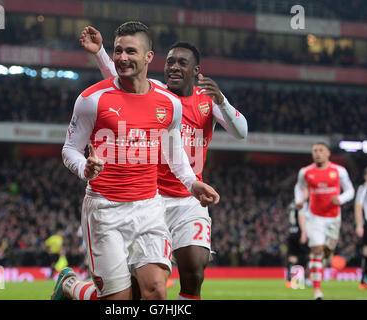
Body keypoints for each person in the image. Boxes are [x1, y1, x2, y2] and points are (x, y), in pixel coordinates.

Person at [74, 26, 247, 300]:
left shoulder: (207, 102)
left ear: (196, 71)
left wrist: (222, 101)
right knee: (130, 294)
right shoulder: (158, 94)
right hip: (150, 195)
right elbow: (118, 81)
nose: (174, 68)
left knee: (193, 270)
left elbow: (241, 132)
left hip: (188, 197)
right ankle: (75, 289)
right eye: (169, 62)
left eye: (182, 63)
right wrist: (101, 54)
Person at [294, 142, 354, 300]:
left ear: (328, 153)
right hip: (315, 217)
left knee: (327, 252)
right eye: (315, 151)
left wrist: (340, 199)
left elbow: (350, 191)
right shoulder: (305, 172)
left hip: (334, 218)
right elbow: (299, 188)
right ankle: (317, 291)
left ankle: (324, 259)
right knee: (317, 250)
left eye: (321, 150)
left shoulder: (339, 171)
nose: (317, 153)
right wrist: (299, 200)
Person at [354, 166, 367, 289]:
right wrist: (359, 225)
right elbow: (358, 206)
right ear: (366, 177)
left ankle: (366, 279)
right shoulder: (363, 189)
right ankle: (365, 279)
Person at [284, 199, 309, 288]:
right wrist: (304, 232)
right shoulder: (303, 204)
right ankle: (305, 278)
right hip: (301, 232)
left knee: (292, 257)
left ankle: (289, 280)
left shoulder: (292, 203)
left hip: (292, 232)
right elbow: (303, 217)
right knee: (310, 255)